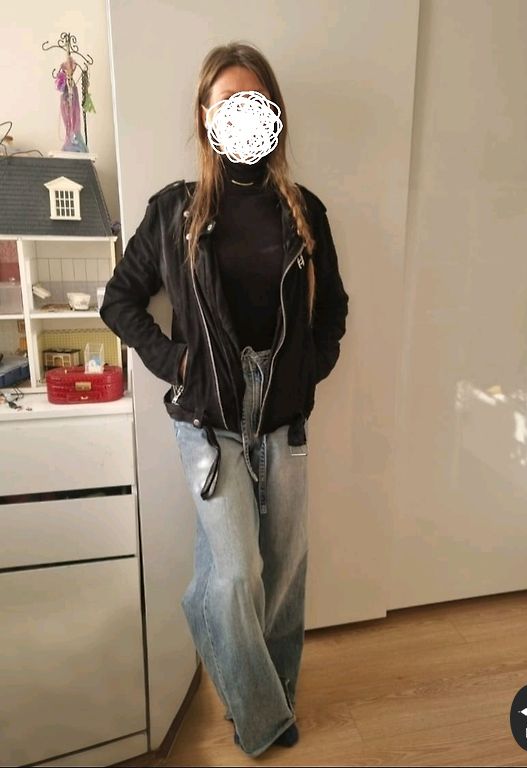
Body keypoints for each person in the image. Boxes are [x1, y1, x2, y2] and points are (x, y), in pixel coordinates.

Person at [99, 40, 349, 758]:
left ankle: (274, 697)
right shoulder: (174, 212)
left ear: (274, 115)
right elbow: (119, 301)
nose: (243, 113)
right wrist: (175, 362)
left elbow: (331, 308)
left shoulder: (305, 212)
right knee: (237, 575)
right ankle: (262, 716)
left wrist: (308, 371)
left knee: (284, 571)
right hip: (209, 422)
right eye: (229, 102)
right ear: (205, 117)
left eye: (256, 101)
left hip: (283, 417)